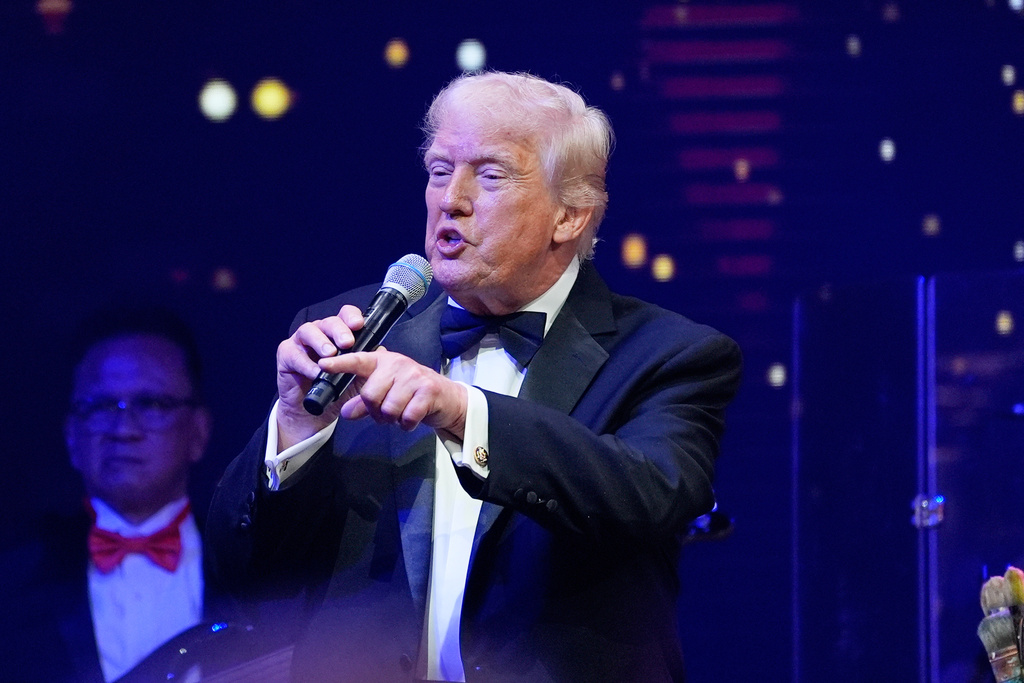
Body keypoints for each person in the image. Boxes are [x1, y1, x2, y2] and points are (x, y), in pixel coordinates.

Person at [206, 71, 743, 682]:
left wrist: (465, 412)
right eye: (439, 170)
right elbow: (240, 576)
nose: (450, 199)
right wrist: (298, 428)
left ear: (569, 216)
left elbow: (652, 495)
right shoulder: (346, 334)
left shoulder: (671, 354)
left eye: (489, 175)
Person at [0, 307, 213, 683]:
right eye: (99, 407)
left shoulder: (255, 563)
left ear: (198, 431)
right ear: (70, 436)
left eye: (151, 404)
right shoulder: (12, 584)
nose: (123, 429)